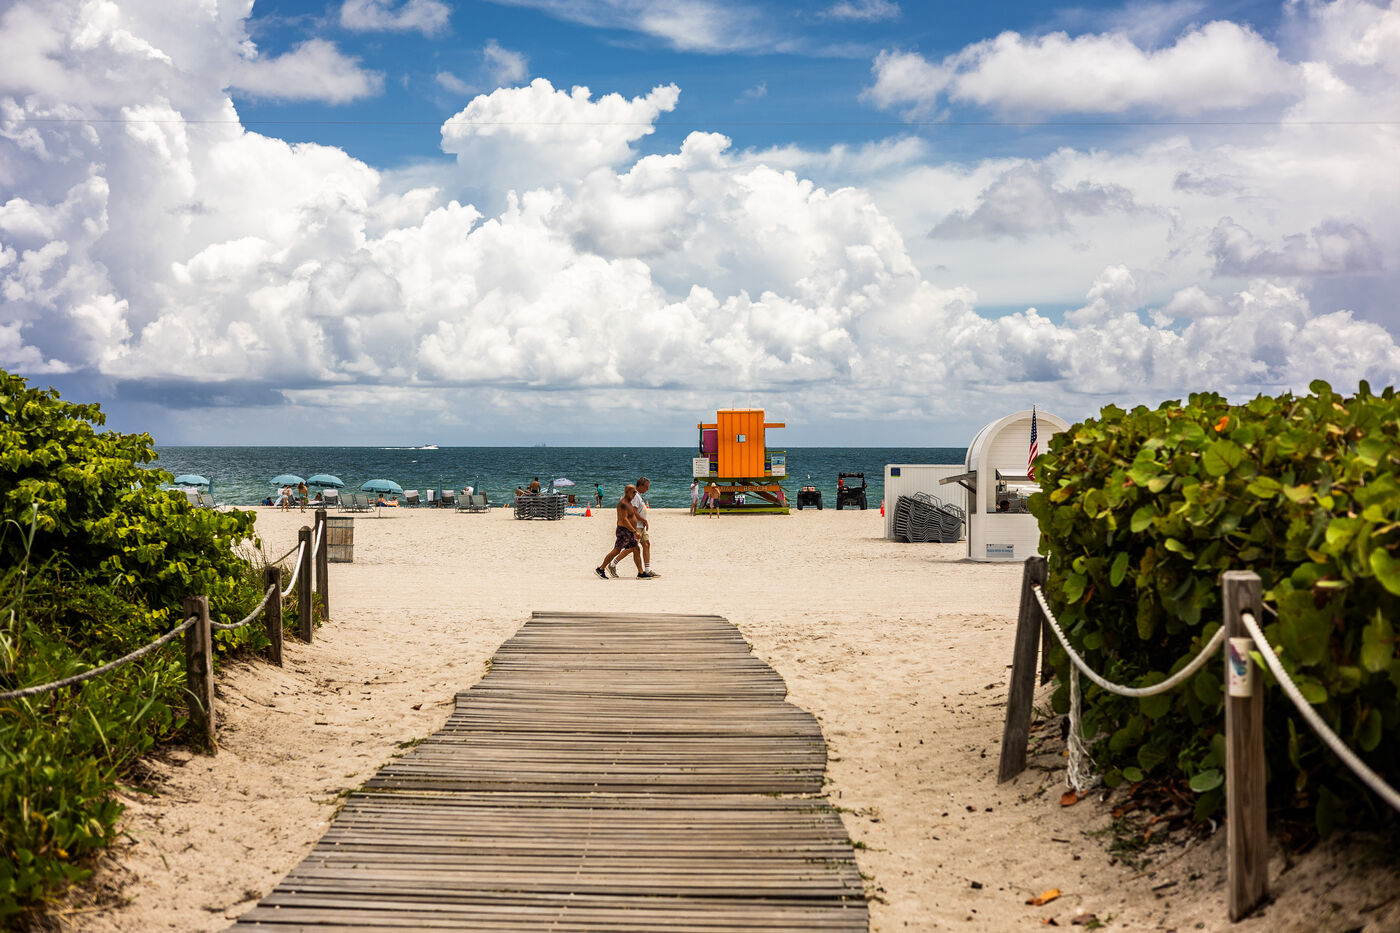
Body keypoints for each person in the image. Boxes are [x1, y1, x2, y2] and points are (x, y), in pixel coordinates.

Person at [609, 477, 658, 578]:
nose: (647, 489)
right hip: (636, 526)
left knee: (646, 544)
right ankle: (612, 564)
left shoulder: (639, 496)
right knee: (631, 548)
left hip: (641, 526)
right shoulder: (635, 496)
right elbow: (634, 511)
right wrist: (644, 520)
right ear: (641, 486)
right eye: (646, 487)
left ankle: (647, 570)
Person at [595, 484, 646, 580]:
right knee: (617, 550)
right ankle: (601, 569)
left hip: (629, 531)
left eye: (636, 492)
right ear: (627, 492)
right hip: (623, 531)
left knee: (636, 549)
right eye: (633, 492)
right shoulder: (622, 504)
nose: (635, 494)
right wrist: (634, 531)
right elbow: (624, 519)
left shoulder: (629, 503)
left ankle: (641, 573)